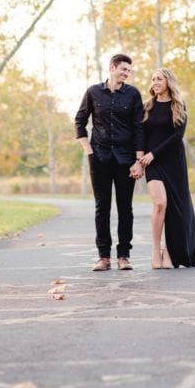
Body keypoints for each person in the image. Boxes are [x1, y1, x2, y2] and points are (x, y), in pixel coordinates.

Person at [74, 53, 146, 271]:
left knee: (125, 208)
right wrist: (89, 151)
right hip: (100, 158)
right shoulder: (93, 92)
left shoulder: (133, 94)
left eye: (129, 71)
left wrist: (138, 161)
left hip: (126, 160)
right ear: (112, 67)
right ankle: (103, 257)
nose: (126, 74)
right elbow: (80, 121)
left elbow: (139, 128)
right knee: (101, 207)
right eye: (123, 69)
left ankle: (124, 256)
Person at [136, 69, 195, 269]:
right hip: (152, 164)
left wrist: (153, 153)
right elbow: (140, 136)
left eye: (159, 79)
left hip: (174, 163)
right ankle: (155, 251)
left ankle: (169, 252)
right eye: (153, 79)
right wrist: (141, 158)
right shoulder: (146, 107)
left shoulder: (179, 106)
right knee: (160, 204)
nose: (155, 82)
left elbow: (177, 136)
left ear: (168, 82)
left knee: (175, 209)